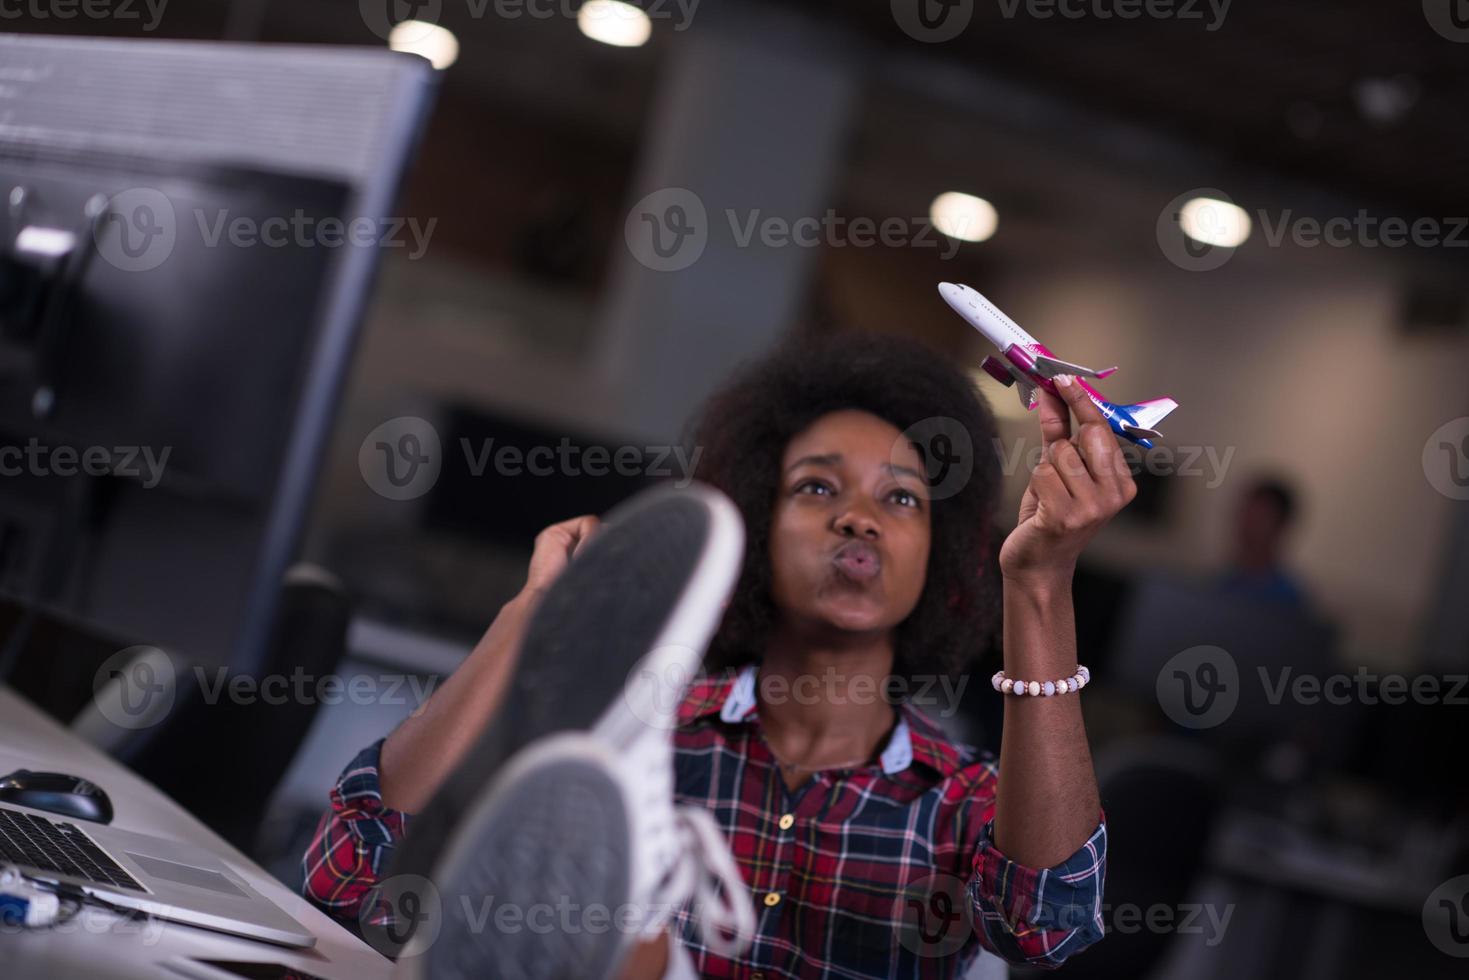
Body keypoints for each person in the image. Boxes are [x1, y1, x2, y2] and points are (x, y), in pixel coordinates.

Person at [303, 333, 1134, 977]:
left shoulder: (961, 800)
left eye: (901, 499)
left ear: (941, 554)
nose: (857, 519)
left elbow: (1047, 925)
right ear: (748, 521)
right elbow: (352, 878)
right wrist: (539, 616)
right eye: (816, 487)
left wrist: (1038, 585)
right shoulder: (622, 738)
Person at [1218, 476, 1311, 608]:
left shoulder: (1287, 598)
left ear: (1279, 527)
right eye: (1245, 515)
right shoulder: (1223, 583)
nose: (1247, 526)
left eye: (1259, 520)